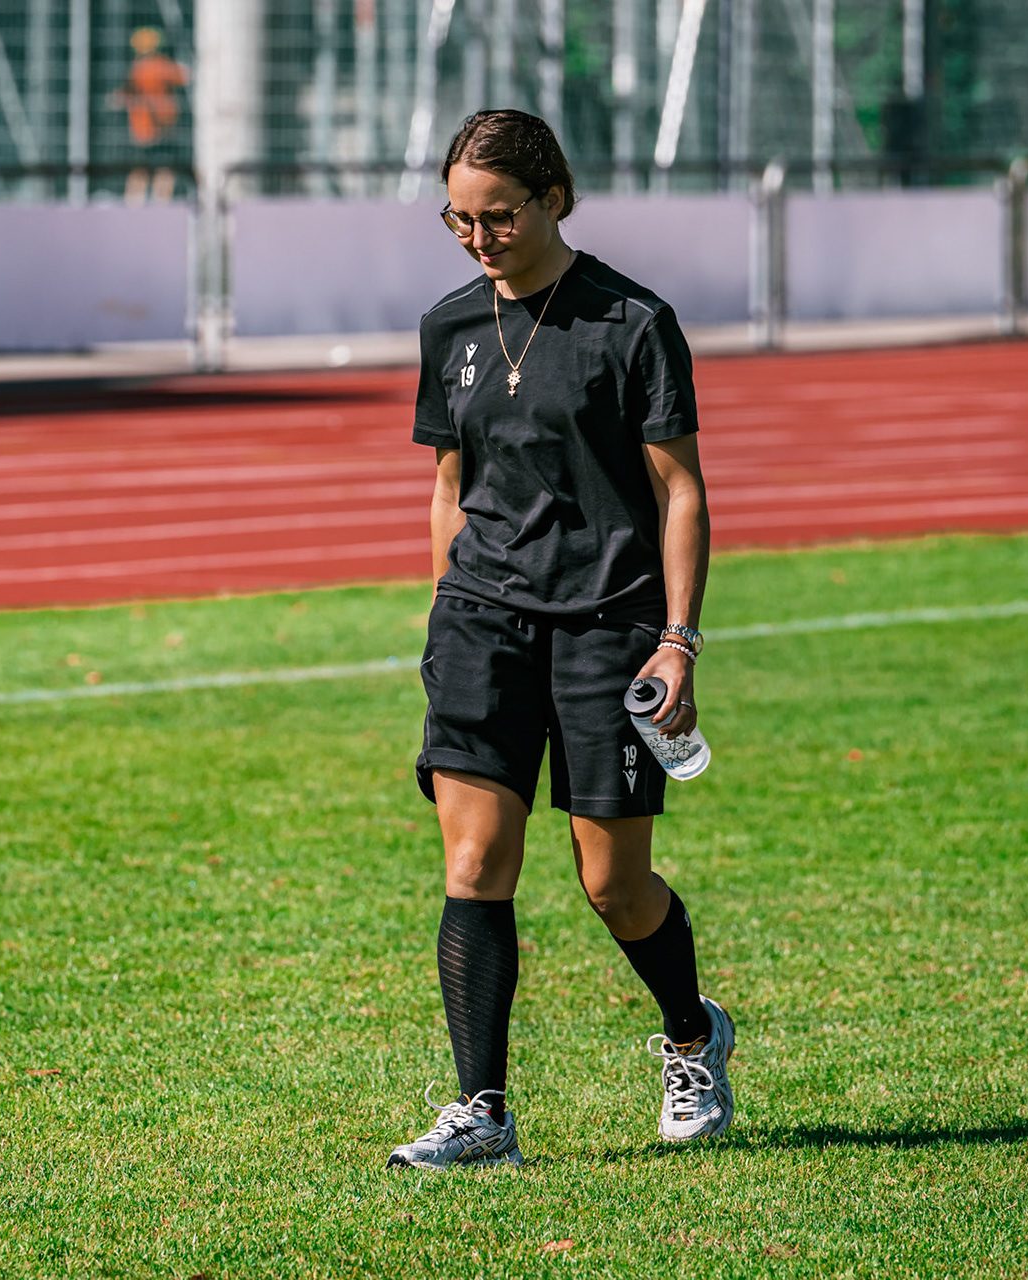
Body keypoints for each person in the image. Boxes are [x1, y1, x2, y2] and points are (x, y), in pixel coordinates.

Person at [388, 110, 733, 1170]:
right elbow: (451, 486)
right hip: (484, 623)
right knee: (476, 858)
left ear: (552, 200)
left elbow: (678, 490)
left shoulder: (631, 321)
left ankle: (691, 1031)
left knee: (611, 884)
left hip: (607, 625)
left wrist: (676, 639)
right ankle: (481, 1111)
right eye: (459, 217)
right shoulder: (447, 327)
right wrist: (445, 611)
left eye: (498, 215)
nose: (478, 236)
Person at [116, 28, 189, 204]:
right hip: (162, 128)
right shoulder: (159, 65)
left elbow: (123, 95)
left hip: (141, 131)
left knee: (139, 170)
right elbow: (184, 75)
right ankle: (161, 203)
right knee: (165, 170)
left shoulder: (136, 69)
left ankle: (133, 203)